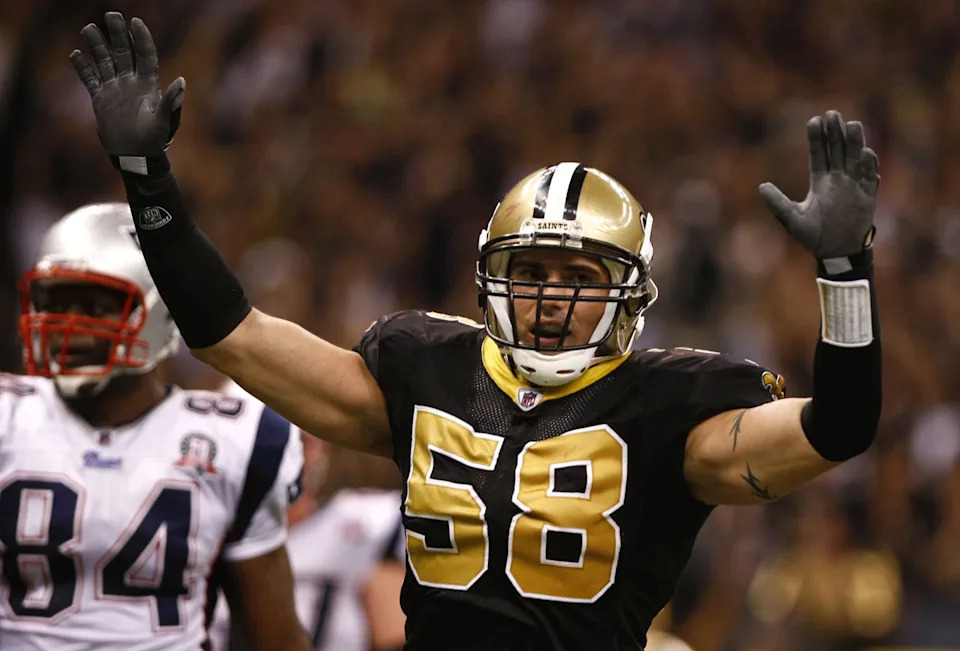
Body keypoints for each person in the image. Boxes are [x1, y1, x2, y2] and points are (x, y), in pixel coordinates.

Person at [69, 13, 882, 650]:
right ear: (495, 276)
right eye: (531, 272)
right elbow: (230, 335)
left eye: (579, 278)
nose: (550, 298)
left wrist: (843, 272)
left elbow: (838, 426)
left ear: (628, 297)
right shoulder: (429, 368)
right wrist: (150, 178)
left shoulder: (671, 404)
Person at [0, 202, 309, 651]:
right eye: (56, 304)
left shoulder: (235, 439)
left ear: (158, 312)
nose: (70, 328)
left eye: (94, 308)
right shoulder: (8, 418)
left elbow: (275, 638)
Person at [210, 434, 407, 651]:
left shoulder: (369, 522)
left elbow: (396, 635)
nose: (289, 455)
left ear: (322, 448)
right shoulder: (204, 532)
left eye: (302, 441)